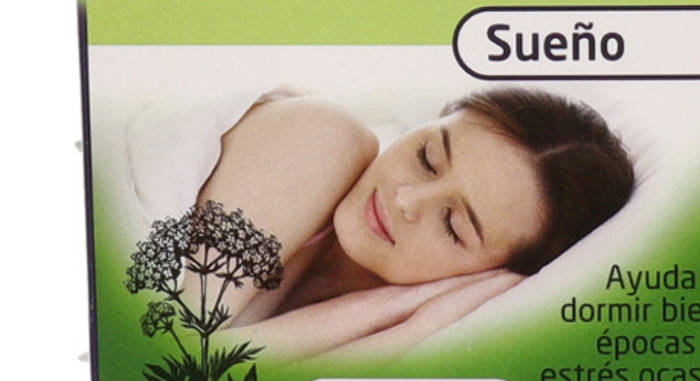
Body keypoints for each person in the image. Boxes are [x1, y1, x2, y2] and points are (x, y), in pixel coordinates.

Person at [195, 87, 634, 357]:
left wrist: (408, 328)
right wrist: (383, 317)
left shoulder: (431, 334)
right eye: (426, 157)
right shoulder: (323, 139)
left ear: (490, 275)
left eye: (453, 225)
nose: (405, 199)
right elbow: (172, 375)